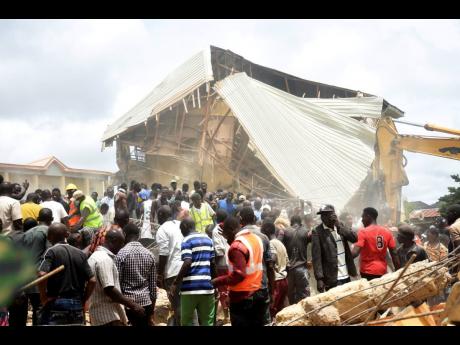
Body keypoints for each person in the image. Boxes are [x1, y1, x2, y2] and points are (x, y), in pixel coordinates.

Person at [37, 223, 96, 325]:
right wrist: (85, 299)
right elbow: (92, 280)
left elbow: (42, 275)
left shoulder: (51, 252)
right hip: (77, 305)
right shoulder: (80, 254)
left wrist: (43, 297)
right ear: (67, 235)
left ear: (49, 237)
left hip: (56, 304)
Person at [212, 216, 266, 326]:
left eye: (226, 234)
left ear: (231, 230)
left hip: (242, 299)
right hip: (259, 293)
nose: (225, 238)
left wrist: (216, 281)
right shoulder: (255, 239)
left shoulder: (236, 247)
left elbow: (238, 276)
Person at [87, 228, 145, 326]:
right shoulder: (104, 259)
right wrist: (133, 305)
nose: (122, 247)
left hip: (99, 316)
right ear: (113, 241)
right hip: (108, 316)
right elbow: (109, 289)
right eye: (121, 243)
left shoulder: (94, 257)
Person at [169, 217, 216, 326]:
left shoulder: (186, 240)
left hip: (190, 289)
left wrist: (175, 282)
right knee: (207, 322)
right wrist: (215, 284)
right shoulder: (208, 239)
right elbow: (213, 263)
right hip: (207, 288)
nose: (182, 233)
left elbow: (187, 262)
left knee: (187, 322)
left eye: (181, 230)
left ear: (185, 227)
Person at [238, 206, 275, 325]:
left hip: (244, 290)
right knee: (264, 321)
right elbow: (270, 266)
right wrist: (272, 290)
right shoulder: (263, 237)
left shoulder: (237, 237)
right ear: (254, 218)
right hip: (261, 288)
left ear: (240, 220)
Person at [115, 223, 156, 326]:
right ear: (139, 235)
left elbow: (117, 284)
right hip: (146, 304)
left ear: (124, 234)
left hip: (127, 304)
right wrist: (151, 312)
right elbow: (153, 287)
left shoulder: (121, 254)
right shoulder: (150, 254)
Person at [312, 204, 357, 292]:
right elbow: (316, 257)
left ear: (333, 215)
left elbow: (354, 238)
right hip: (332, 278)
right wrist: (319, 279)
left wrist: (338, 225)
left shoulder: (341, 226)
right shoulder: (317, 231)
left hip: (347, 274)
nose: (323, 217)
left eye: (326, 215)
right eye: (322, 215)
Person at [22, 208, 54, 325]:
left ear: (38, 219)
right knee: (41, 310)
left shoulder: (26, 233)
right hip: (40, 278)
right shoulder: (49, 231)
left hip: (25, 278)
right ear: (52, 219)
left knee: (36, 309)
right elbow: (50, 254)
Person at [351, 207, 400, 281]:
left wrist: (342, 259)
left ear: (368, 216)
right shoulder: (387, 232)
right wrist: (398, 271)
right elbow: (394, 253)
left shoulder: (363, 232)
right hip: (382, 270)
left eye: (363, 217)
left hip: (367, 271)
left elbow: (355, 253)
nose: (362, 220)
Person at [155, 205, 185, 326]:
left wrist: (159, 274)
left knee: (178, 304)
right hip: (188, 268)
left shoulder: (162, 229)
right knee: (187, 303)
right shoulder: (181, 224)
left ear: (161, 215)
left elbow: (164, 253)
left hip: (173, 272)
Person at [261, 220, 288, 318]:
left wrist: (267, 263)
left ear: (266, 231)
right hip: (284, 280)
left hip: (276, 282)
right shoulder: (281, 244)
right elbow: (287, 263)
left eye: (262, 231)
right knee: (280, 311)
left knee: (272, 310)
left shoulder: (271, 243)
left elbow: (273, 258)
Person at [282, 215, 311, 304]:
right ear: (300, 222)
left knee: (290, 294)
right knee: (304, 295)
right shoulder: (306, 231)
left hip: (289, 269)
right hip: (302, 268)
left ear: (291, 222)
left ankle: (293, 313)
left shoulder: (285, 232)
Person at [211, 209, 230, 321]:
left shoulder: (216, 230)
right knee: (230, 288)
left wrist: (214, 264)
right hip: (231, 262)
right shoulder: (229, 226)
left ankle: (226, 317)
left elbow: (219, 251)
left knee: (222, 290)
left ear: (217, 218)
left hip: (222, 264)